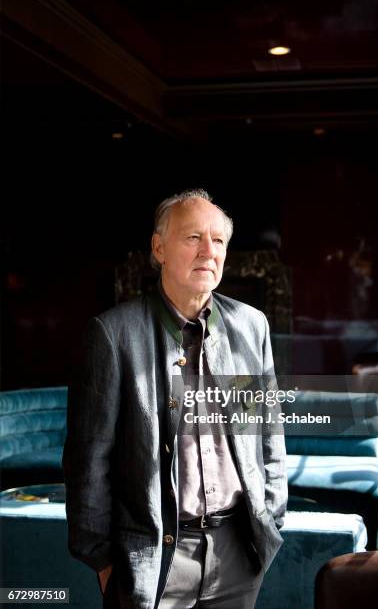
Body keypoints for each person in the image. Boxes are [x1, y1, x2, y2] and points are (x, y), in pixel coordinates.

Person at [62, 189, 288, 609]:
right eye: (193, 238)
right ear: (158, 247)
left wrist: (269, 518)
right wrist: (104, 561)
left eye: (218, 240)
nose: (208, 251)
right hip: (152, 564)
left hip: (237, 555)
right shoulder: (113, 335)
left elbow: (267, 431)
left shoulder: (251, 326)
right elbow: (87, 461)